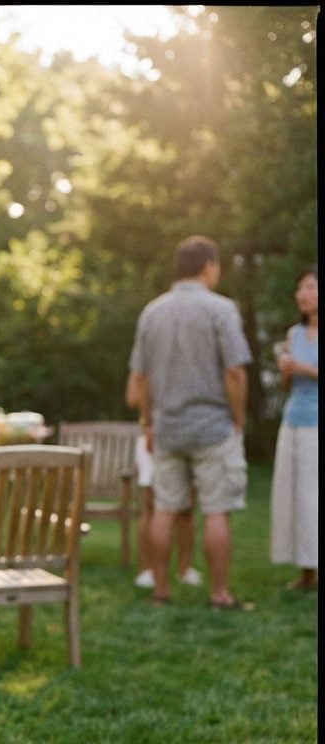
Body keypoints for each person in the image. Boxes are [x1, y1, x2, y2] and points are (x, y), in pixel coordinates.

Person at [127, 235, 254, 609]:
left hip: (167, 428)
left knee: (164, 509)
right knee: (216, 510)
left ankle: (161, 590)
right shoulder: (221, 309)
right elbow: (234, 372)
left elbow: (140, 378)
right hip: (213, 427)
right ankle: (219, 594)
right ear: (208, 267)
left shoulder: (152, 312)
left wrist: (148, 423)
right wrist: (238, 418)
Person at [124, 373, 202, 590]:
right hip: (154, 436)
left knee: (187, 508)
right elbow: (132, 397)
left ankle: (184, 569)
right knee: (151, 506)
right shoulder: (148, 360)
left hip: (190, 437)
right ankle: (147, 570)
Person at [270, 265, 318, 591]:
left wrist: (305, 368)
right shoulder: (294, 334)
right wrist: (286, 371)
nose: (303, 294)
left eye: (311, 287)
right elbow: (287, 385)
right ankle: (306, 573)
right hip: (293, 421)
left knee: (314, 497)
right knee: (295, 497)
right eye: (300, 288)